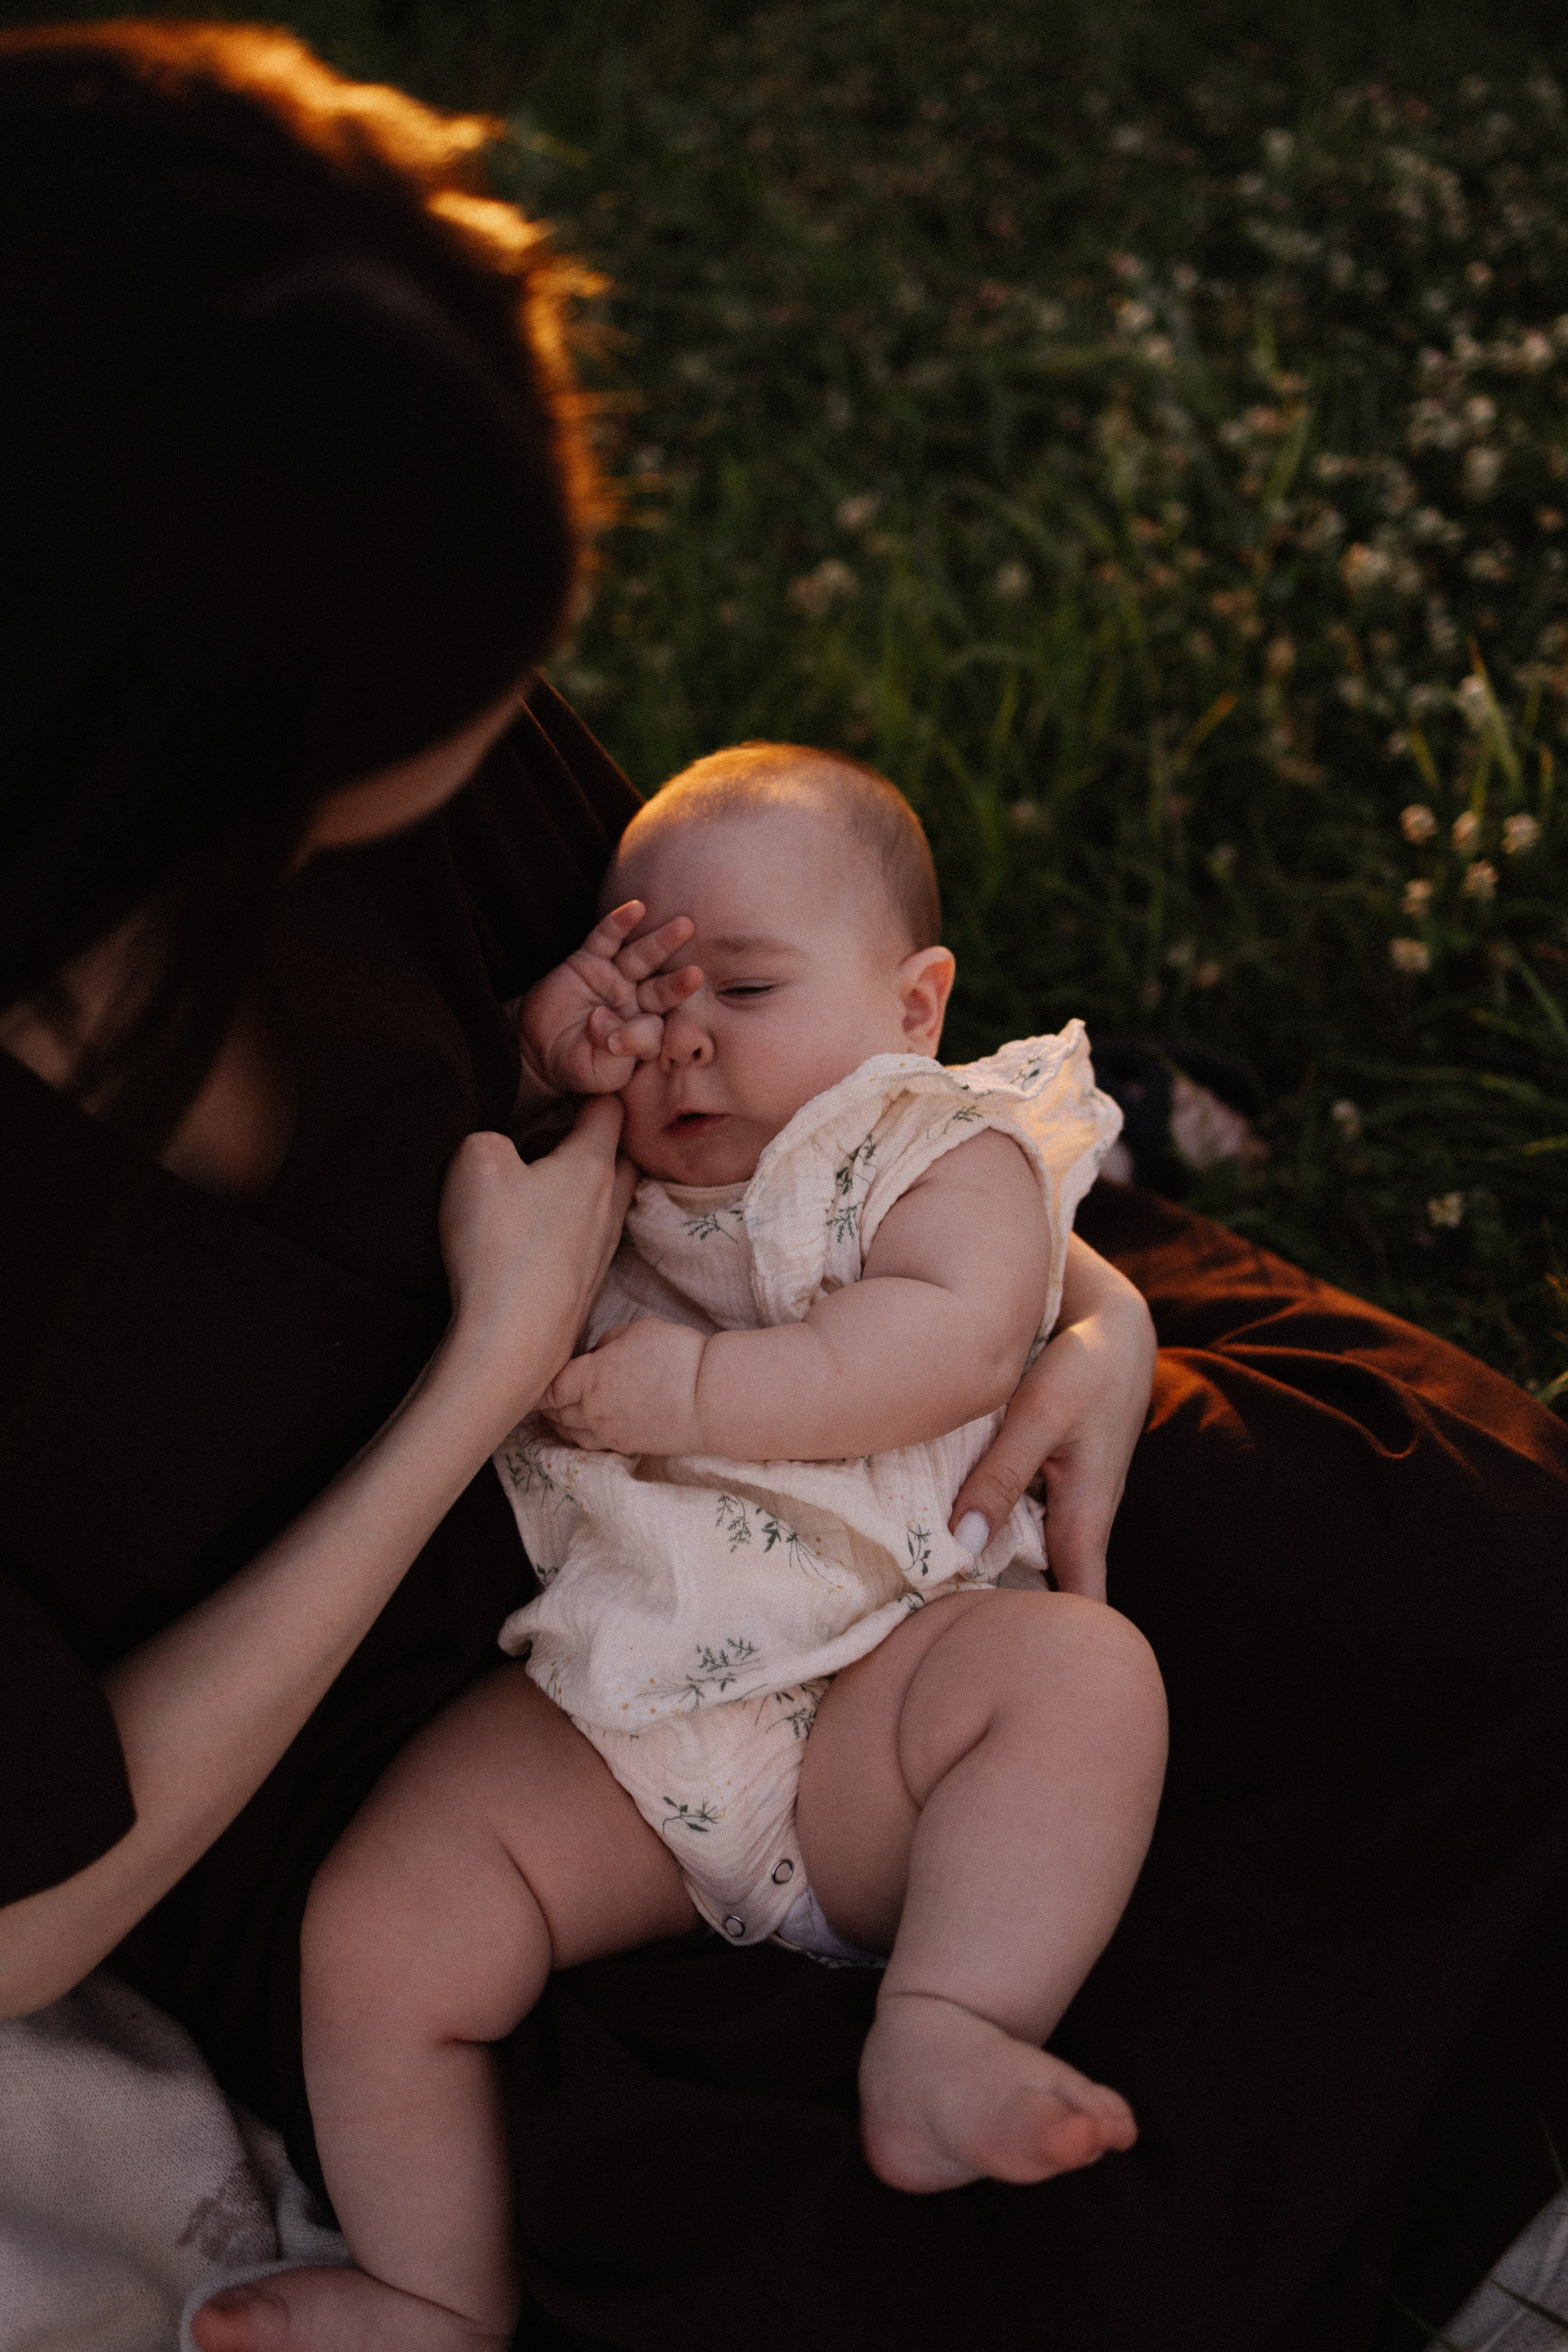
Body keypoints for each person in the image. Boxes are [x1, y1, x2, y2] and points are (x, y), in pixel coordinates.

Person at [0, 24, 1564, 2352]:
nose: (492, 743)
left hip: (802, 1382)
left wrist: (1070, 1320)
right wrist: (486, 1386)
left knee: (1460, 1582)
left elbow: (769, 1086)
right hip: (411, 1721)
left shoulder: (355, 652)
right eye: (393, 748)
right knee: (918, 2246)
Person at [266, 747, 1166, 2348]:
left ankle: (950, 2024)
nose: (684, 1041)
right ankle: (432, 2294)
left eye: (742, 988)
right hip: (633, 1705)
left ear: (913, 1005)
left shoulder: (928, 1147)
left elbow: (955, 1344)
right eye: (648, 995)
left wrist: (698, 1384)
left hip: (895, 1680)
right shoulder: (608, 1160)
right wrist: (546, 1064)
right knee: (381, 1919)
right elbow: (450, 1172)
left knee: (1085, 1683)